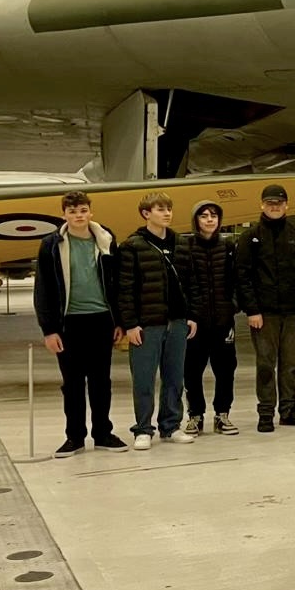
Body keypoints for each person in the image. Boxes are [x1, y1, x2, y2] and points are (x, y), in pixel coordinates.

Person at [35, 191, 128, 457]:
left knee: (101, 381)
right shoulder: (51, 245)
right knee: (72, 383)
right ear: (64, 214)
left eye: (83, 210)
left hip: (101, 319)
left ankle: (103, 434)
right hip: (69, 323)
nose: (79, 216)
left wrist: (119, 320)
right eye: (73, 211)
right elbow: (43, 289)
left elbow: (116, 283)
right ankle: (74, 437)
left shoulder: (106, 240)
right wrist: (49, 329)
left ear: (91, 212)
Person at [117, 191, 198, 450]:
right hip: (147, 324)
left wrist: (191, 316)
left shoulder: (182, 244)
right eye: (160, 209)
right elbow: (125, 288)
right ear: (146, 213)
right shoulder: (133, 246)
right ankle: (143, 428)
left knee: (175, 377)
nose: (166, 213)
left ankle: (171, 425)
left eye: (168, 209)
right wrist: (130, 323)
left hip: (177, 321)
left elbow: (191, 284)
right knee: (143, 378)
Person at [235, 183, 295, 433]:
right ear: (262, 205)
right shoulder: (250, 237)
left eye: (279, 203)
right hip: (265, 313)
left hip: (293, 312)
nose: (274, 207)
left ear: (286, 205)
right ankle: (266, 412)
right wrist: (252, 310)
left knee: (291, 363)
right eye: (270, 203)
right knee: (266, 364)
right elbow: (243, 276)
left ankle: (289, 410)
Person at [177, 200, 240, 437]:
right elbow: (182, 283)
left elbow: (237, 280)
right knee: (192, 370)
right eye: (204, 216)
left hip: (223, 322)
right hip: (195, 323)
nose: (209, 219)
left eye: (213, 215)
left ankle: (222, 413)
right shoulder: (185, 247)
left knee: (225, 370)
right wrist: (189, 313)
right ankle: (195, 414)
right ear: (196, 220)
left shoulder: (229, 246)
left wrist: (232, 306)